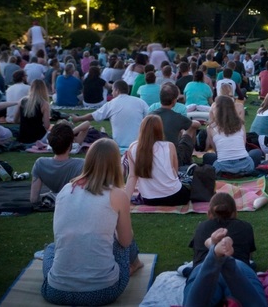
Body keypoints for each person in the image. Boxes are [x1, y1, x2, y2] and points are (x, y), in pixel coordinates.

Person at [41, 138, 142, 306]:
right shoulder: (118, 195)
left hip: (56, 292)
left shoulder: (66, 190)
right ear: (115, 164)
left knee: (51, 248)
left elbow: (62, 236)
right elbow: (125, 241)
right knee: (125, 240)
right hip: (103, 292)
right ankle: (136, 264)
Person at [125, 115, 191, 206]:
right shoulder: (169, 146)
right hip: (175, 196)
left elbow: (132, 176)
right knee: (189, 185)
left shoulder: (133, 147)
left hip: (149, 199)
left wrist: (125, 200)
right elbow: (174, 173)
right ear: (160, 129)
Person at [71, 80, 149, 152]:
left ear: (117, 90)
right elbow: (150, 118)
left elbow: (93, 116)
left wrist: (78, 119)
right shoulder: (140, 102)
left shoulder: (112, 104)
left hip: (119, 145)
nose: (111, 93)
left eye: (112, 90)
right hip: (138, 144)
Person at [203, 95, 262, 175]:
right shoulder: (240, 124)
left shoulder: (211, 128)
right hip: (246, 165)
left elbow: (216, 151)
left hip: (222, 167)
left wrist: (211, 114)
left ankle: (229, 172)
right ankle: (241, 172)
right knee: (256, 152)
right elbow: (243, 145)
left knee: (207, 156)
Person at [29, 123, 85, 204]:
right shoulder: (82, 164)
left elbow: (33, 199)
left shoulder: (40, 164)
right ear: (70, 144)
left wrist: (50, 196)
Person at [150, 83, 200, 167]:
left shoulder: (149, 115)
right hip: (173, 158)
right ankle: (188, 160)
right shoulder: (177, 117)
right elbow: (196, 125)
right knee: (191, 128)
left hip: (152, 156)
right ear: (174, 101)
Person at [15, 79, 51, 145]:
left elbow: (15, 120)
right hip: (38, 137)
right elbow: (47, 126)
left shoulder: (22, 101)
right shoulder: (44, 104)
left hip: (23, 137)